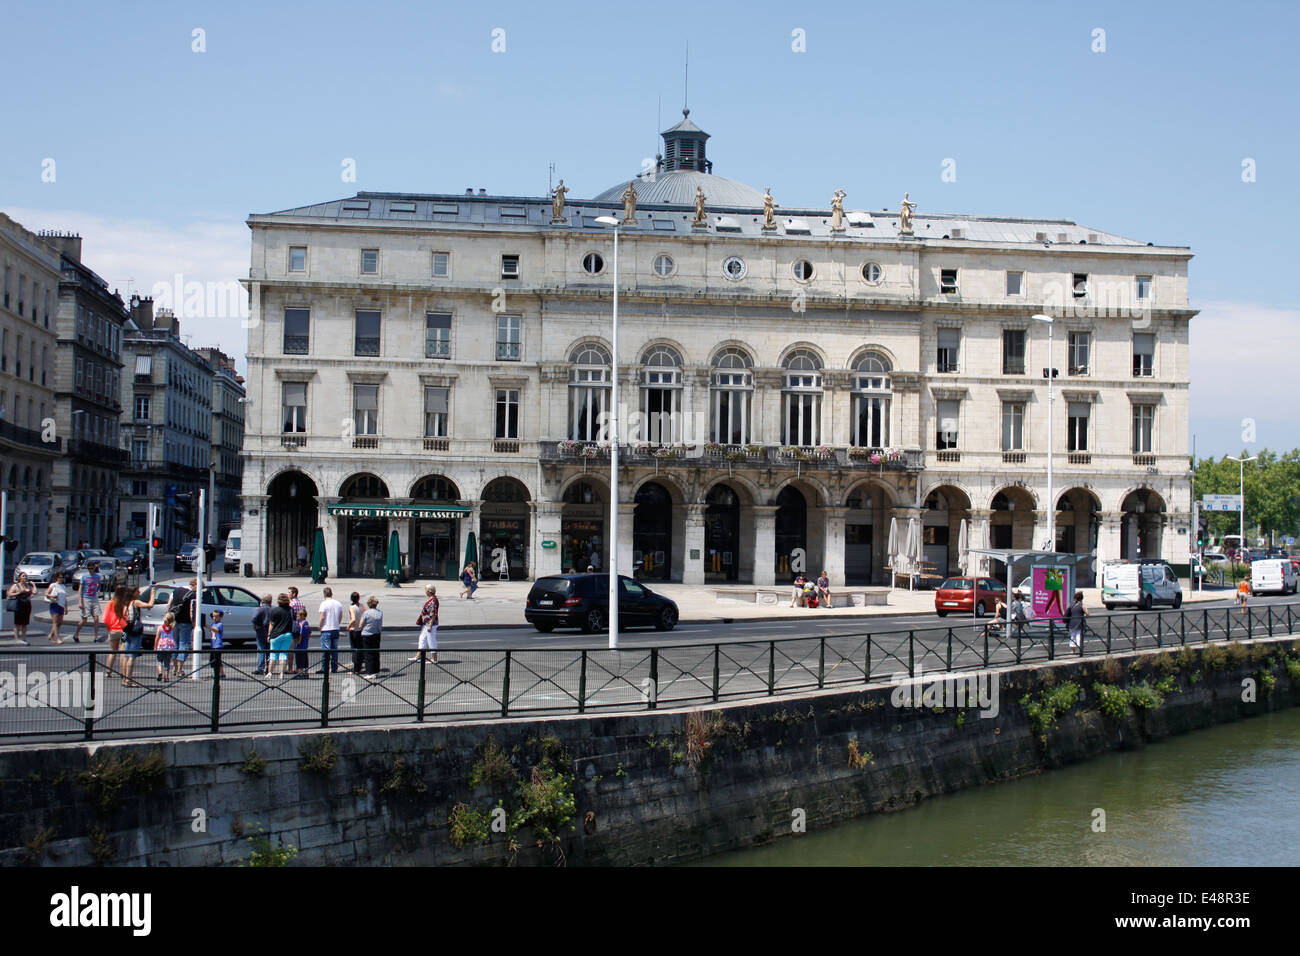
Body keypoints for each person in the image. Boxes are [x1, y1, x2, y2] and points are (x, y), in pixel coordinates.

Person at [106, 585, 157, 687]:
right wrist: (153, 595)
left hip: (125, 630)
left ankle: (124, 678)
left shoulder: (124, 603)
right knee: (131, 656)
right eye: (138, 592)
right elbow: (150, 605)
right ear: (133, 593)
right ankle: (128, 680)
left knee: (124, 653)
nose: (139, 593)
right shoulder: (135, 602)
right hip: (134, 631)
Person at [71, 561, 104, 643]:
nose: (91, 570)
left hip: (94, 598)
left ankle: (96, 636)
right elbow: (80, 589)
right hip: (86, 598)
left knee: (96, 618)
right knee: (84, 619)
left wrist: (98, 590)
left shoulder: (97, 576)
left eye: (92, 568)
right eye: (89, 568)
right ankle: (76, 634)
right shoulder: (84, 577)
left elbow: (100, 581)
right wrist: (80, 601)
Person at [267, 593, 295, 680]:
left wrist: (269, 635)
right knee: (283, 654)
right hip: (288, 634)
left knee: (273, 655)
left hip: (276, 634)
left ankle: (270, 673)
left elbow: (271, 624)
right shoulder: (291, 610)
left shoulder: (275, 610)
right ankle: (282, 674)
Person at [317, 587, 343, 674]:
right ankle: (334, 668)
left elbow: (322, 617)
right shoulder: (338, 603)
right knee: (334, 650)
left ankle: (325, 668)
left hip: (326, 629)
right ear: (332, 594)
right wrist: (337, 623)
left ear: (324, 594)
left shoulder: (323, 604)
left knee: (326, 650)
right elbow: (340, 616)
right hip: (335, 628)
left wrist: (320, 626)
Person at [412, 585, 439, 663]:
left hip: (430, 624)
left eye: (426, 590)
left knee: (431, 640)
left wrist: (430, 625)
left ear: (429, 591)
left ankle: (435, 659)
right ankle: (418, 656)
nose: (425, 592)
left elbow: (434, 613)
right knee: (422, 639)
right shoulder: (431, 599)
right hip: (426, 623)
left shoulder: (433, 601)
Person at [6, 573, 34, 645]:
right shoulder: (16, 585)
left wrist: (34, 585)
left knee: (25, 623)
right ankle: (16, 639)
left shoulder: (28, 585)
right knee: (17, 623)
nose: (25, 577)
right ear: (19, 578)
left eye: (26, 576)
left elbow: (34, 592)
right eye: (23, 576)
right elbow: (9, 594)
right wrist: (18, 592)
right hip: (19, 604)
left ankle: (24, 639)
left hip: (27, 604)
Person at [360, 595, 383, 678]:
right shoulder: (380, 612)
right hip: (377, 634)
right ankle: (376, 671)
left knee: (368, 654)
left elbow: (361, 625)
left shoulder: (366, 613)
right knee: (376, 653)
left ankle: (370, 672)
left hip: (367, 634)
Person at [251, 594, 273, 675]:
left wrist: (257, 625)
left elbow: (254, 618)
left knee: (261, 649)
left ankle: (260, 668)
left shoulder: (259, 609)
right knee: (269, 650)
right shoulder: (272, 609)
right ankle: (268, 668)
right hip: (270, 632)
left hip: (261, 631)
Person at [44, 572, 68, 644]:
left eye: (62, 577)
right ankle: (57, 638)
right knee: (55, 622)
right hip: (55, 604)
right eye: (60, 577)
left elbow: (65, 597)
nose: (61, 579)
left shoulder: (63, 586)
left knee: (60, 622)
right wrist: (52, 596)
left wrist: (66, 607)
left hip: (61, 605)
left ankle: (51, 635)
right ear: (56, 578)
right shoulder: (53, 585)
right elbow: (46, 593)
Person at [154, 612, 178, 681]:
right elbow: (174, 636)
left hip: (161, 647)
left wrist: (155, 646)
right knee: (167, 662)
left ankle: (160, 672)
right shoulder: (173, 628)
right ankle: (166, 676)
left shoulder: (160, 628)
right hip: (169, 648)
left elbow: (157, 638)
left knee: (159, 660)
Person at [346, 591, 365, 674]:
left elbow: (353, 619)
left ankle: (356, 668)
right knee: (360, 648)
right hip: (361, 629)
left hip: (354, 630)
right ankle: (359, 667)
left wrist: (348, 626)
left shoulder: (351, 607)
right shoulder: (362, 606)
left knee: (354, 649)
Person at [293, 608, 311, 675]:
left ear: (303, 616)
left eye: (299, 615)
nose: (297, 617)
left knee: (300, 658)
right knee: (304, 658)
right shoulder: (306, 623)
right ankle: (305, 671)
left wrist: (298, 641)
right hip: (305, 644)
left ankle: (300, 671)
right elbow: (309, 632)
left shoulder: (302, 623)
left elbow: (301, 634)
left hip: (300, 645)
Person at [209, 608, 226, 678]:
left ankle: (221, 673)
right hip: (213, 644)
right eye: (213, 616)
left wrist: (209, 627)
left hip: (218, 645)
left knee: (218, 660)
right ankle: (217, 672)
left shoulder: (220, 624)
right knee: (212, 660)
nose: (214, 618)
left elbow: (216, 630)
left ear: (220, 617)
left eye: (216, 616)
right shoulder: (213, 624)